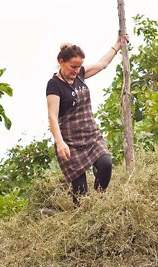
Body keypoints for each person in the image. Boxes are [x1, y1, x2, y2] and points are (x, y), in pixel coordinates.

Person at [46, 34, 128, 206]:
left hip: (91, 135)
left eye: (79, 66)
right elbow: (52, 115)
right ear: (61, 61)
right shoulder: (54, 85)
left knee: (105, 164)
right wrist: (60, 143)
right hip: (70, 142)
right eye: (73, 66)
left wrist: (118, 44)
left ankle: (98, 204)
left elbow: (102, 64)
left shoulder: (80, 74)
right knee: (80, 191)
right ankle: (83, 213)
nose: (76, 70)